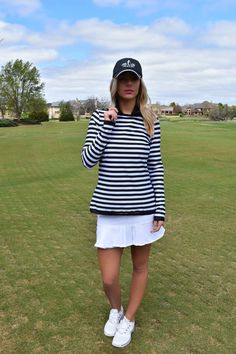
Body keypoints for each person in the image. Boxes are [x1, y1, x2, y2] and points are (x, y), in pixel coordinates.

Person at [81, 57, 166, 348]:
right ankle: (115, 309)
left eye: (134, 78)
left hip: (144, 209)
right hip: (110, 210)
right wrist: (106, 126)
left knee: (140, 268)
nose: (129, 84)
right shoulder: (98, 117)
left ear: (140, 83)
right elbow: (87, 161)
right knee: (109, 277)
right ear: (115, 83)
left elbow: (155, 166)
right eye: (123, 78)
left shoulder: (150, 120)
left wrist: (160, 209)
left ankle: (128, 319)